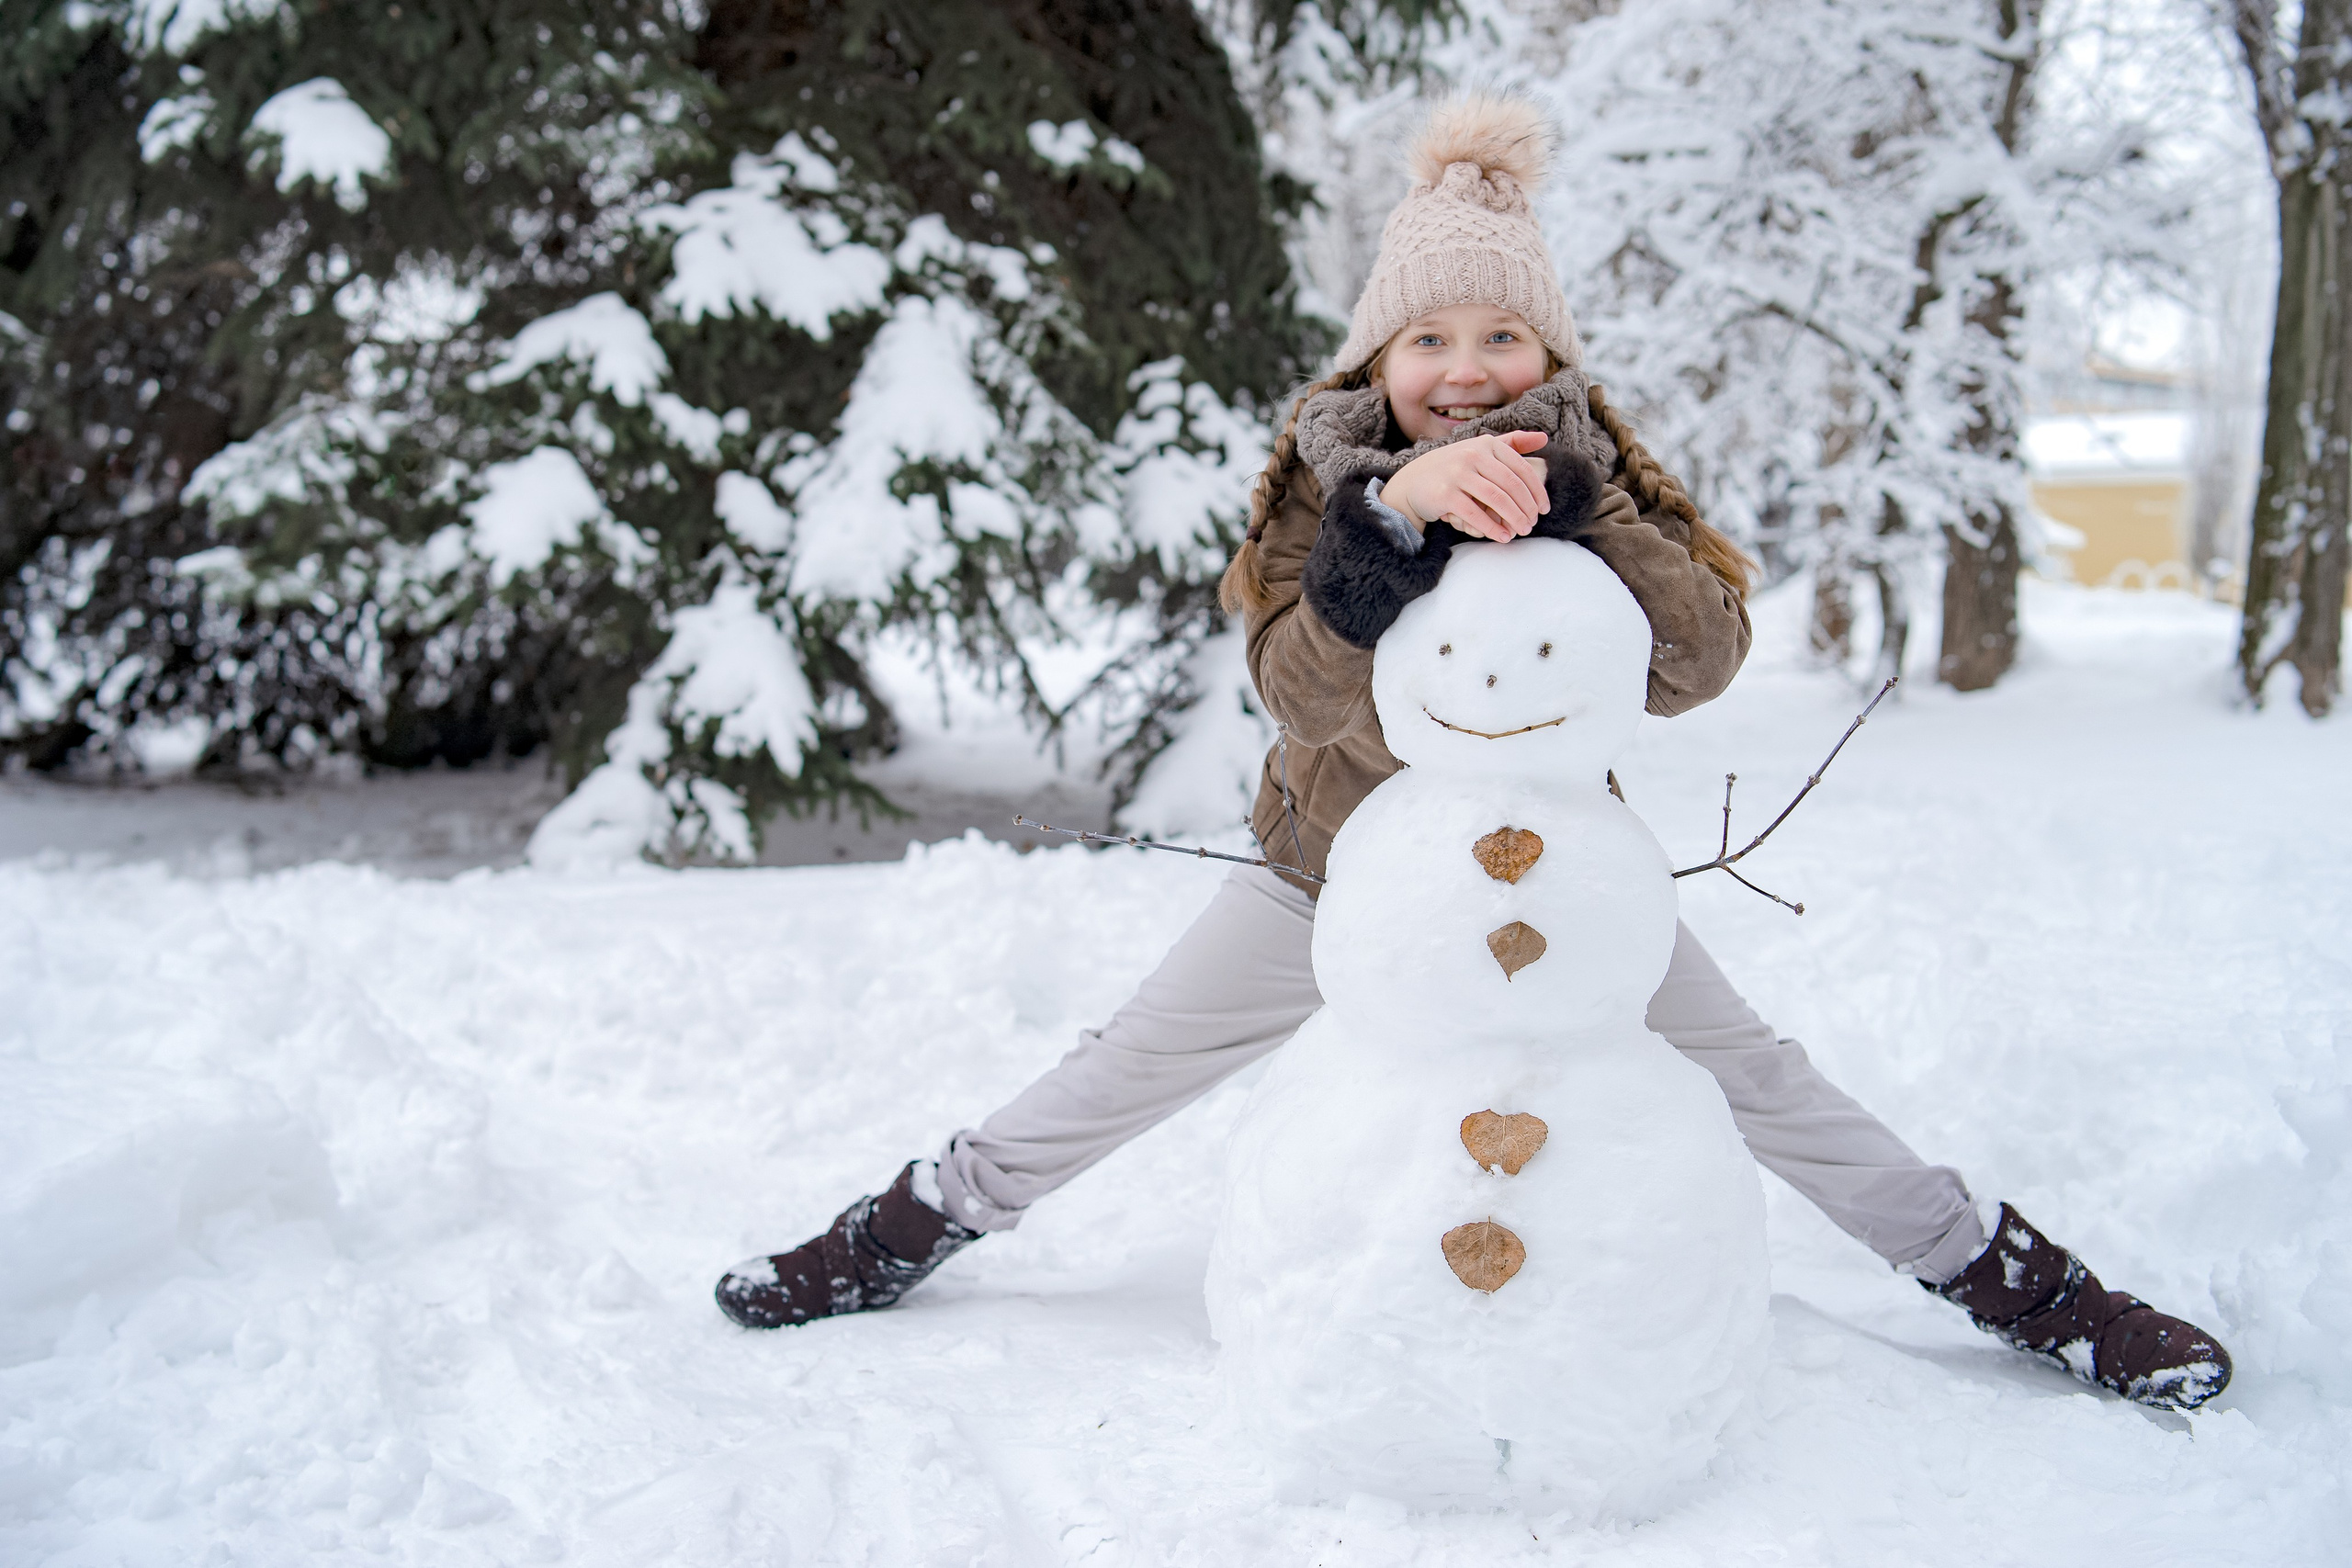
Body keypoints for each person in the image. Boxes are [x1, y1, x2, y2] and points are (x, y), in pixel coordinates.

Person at [713, 95, 2232, 1413]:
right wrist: (1394, 530)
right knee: (1130, 1062)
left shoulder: (1598, 468)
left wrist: (1583, 509)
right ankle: (906, 1227)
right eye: (1428, 336)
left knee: (1759, 1078)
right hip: (1335, 867)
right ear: (1381, 356)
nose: (1464, 365)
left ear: (1544, 347)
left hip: (1565, 885)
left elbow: (1699, 664)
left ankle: (2021, 1284)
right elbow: (1301, 697)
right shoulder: (1326, 483)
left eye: (1500, 332)